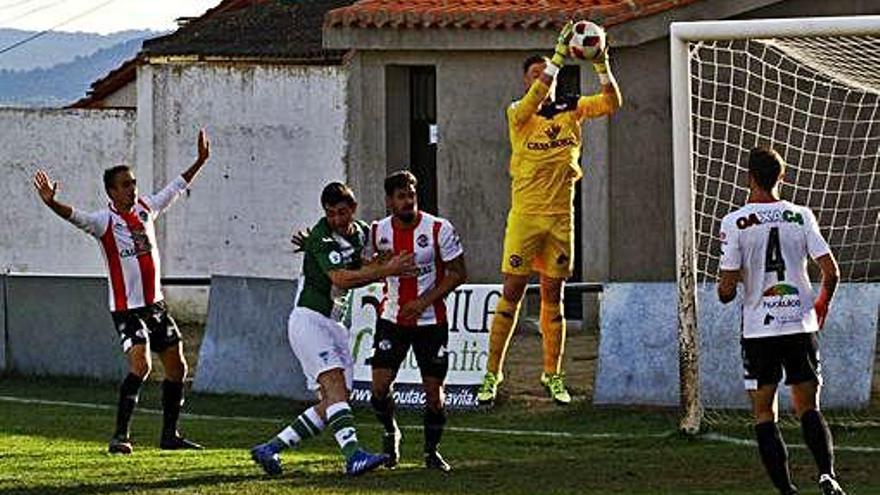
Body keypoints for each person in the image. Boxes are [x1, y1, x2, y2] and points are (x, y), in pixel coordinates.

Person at [33, 129, 211, 454]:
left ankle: (170, 436)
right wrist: (51, 202)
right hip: (126, 309)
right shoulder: (103, 222)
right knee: (140, 366)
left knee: (178, 368)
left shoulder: (146, 209)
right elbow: (75, 217)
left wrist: (199, 160)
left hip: (155, 306)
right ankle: (120, 437)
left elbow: (175, 187)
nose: (133, 188)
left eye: (133, 182)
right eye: (126, 184)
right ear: (111, 192)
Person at [478, 21, 622, 405]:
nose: (545, 79)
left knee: (552, 296)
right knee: (511, 292)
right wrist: (557, 58)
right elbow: (536, 95)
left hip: (561, 218)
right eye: (537, 74)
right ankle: (492, 374)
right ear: (527, 82)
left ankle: (552, 375)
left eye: (548, 74)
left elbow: (612, 103)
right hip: (525, 217)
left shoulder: (571, 111)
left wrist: (601, 64)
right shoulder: (518, 115)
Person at [250, 181, 415, 477]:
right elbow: (340, 278)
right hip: (309, 321)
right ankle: (354, 456)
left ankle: (270, 448)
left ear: (353, 209)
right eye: (330, 214)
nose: (337, 219)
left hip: (335, 324)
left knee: (334, 400)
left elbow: (360, 262)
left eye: (342, 212)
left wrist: (379, 263)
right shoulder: (321, 236)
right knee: (336, 388)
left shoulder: (361, 232)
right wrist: (384, 270)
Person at [717, 146, 845, 495]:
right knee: (808, 406)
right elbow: (831, 272)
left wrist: (734, 281)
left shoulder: (735, 222)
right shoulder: (801, 215)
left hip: (760, 331)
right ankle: (827, 475)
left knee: (764, 413)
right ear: (782, 178)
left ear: (749, 178)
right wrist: (821, 305)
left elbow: (726, 292)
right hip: (800, 327)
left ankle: (787, 490)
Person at [367, 171, 467, 472]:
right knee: (379, 389)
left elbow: (458, 273)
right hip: (391, 319)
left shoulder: (439, 228)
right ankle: (390, 431)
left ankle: (431, 453)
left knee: (435, 396)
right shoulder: (377, 232)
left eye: (411, 195)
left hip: (431, 322)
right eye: (401, 197)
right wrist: (379, 268)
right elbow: (364, 265)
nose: (408, 201)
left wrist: (423, 302)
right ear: (390, 201)